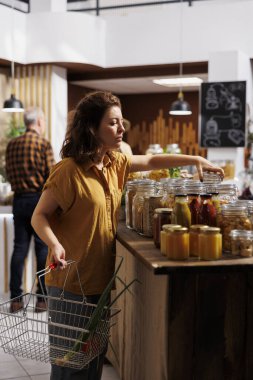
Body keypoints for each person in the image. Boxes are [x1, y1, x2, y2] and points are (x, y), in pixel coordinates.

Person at [31, 91, 224, 380]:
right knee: (70, 369)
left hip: (101, 284)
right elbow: (39, 216)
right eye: (113, 123)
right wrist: (54, 244)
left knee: (92, 365)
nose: (121, 129)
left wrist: (195, 157)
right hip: (70, 285)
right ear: (92, 127)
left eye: (122, 122)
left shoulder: (115, 164)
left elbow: (151, 160)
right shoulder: (68, 172)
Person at [5, 106, 55, 313]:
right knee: (42, 250)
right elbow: (52, 176)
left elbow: (8, 172)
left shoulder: (12, 145)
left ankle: (16, 299)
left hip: (19, 200)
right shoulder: (43, 144)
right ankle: (41, 299)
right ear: (40, 122)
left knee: (19, 250)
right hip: (38, 200)